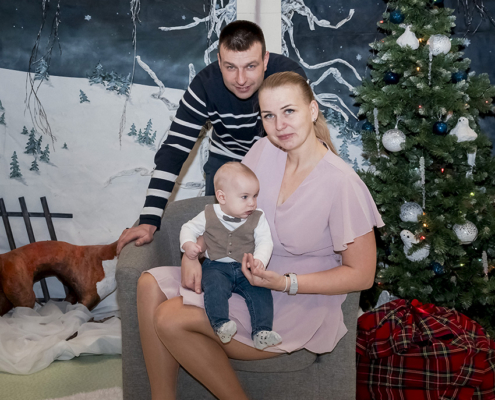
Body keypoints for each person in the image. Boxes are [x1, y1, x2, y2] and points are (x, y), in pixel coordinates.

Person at [136, 70, 384, 400]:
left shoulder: (342, 183)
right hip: (241, 276)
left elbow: (362, 275)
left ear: (312, 110)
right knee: (148, 284)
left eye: (289, 111)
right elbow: (230, 213)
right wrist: (193, 252)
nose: (279, 125)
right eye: (268, 115)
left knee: (170, 318)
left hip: (295, 302)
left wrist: (285, 283)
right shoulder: (263, 150)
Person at [116, 20, 306, 255]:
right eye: (230, 67)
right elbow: (174, 149)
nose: (241, 79)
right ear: (219, 61)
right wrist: (149, 219)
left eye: (250, 66)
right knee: (218, 235)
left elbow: (306, 136)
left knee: (277, 230)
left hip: (279, 154)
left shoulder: (290, 78)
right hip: (227, 157)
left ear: (265, 60)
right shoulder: (205, 86)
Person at [180, 162, 281, 350]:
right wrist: (188, 244)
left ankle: (262, 332)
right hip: (215, 265)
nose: (252, 203)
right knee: (214, 287)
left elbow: (265, 241)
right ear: (222, 197)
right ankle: (220, 324)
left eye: (255, 196)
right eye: (245, 197)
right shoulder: (209, 213)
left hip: (245, 268)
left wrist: (259, 260)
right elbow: (188, 228)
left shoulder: (258, 217)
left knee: (261, 291)